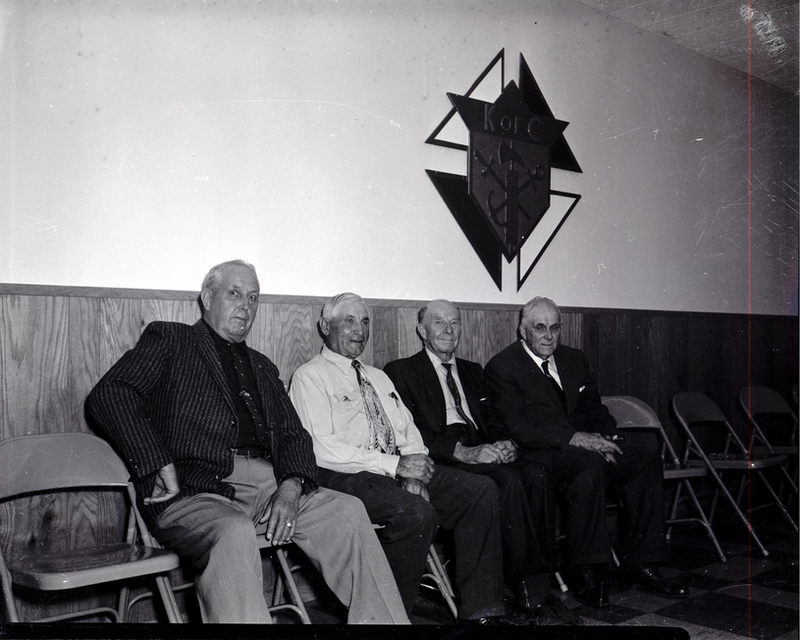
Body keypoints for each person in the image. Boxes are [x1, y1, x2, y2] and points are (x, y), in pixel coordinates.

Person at [87, 261, 408, 624]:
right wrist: (157, 460)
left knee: (347, 512)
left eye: (253, 297)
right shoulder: (172, 339)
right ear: (208, 298)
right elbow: (110, 394)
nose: (245, 305)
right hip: (194, 488)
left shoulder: (261, 365)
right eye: (234, 293)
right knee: (234, 531)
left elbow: (293, 435)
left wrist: (291, 487)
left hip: (267, 485)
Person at [289, 293, 525, 625]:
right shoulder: (310, 376)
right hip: (345, 474)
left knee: (480, 490)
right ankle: (386, 618)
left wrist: (413, 468)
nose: (360, 330)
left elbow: (408, 430)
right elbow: (320, 448)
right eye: (349, 321)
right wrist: (395, 467)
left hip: (395, 469)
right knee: (415, 513)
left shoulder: (378, 377)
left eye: (365, 321)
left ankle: (481, 612)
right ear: (325, 326)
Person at [383, 299, 580, 625]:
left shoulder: (474, 371)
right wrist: (461, 451)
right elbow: (409, 431)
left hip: (482, 450)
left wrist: (507, 444)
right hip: (446, 458)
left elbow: (496, 419)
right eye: (439, 322)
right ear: (422, 330)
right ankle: (530, 596)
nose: (448, 329)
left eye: (455, 323)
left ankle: (538, 585)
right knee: (507, 481)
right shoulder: (401, 370)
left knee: (537, 474)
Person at [484, 296, 689, 607]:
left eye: (555, 328)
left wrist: (605, 435)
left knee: (644, 457)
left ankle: (641, 562)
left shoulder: (574, 359)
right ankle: (585, 571)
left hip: (585, 446)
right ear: (523, 330)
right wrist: (576, 439)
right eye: (540, 328)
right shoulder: (503, 366)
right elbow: (517, 427)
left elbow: (595, 407)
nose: (548, 336)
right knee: (588, 466)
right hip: (539, 453)